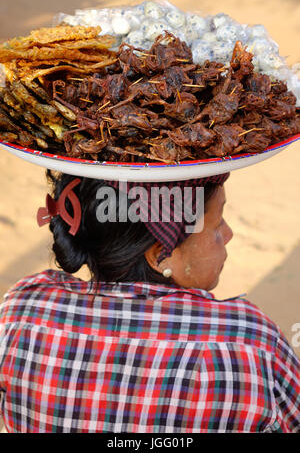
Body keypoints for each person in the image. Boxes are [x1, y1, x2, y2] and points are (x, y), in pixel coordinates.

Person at [0, 169, 299, 433]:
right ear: (160, 255)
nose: (229, 233)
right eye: (217, 224)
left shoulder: (20, 315)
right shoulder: (251, 343)